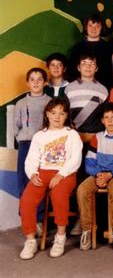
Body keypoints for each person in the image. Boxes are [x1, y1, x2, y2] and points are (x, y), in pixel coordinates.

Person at [19, 98, 82, 259]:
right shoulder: (40, 136)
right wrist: (32, 173)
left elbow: (76, 159)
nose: (57, 117)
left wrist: (61, 174)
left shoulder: (72, 134)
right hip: (43, 172)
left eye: (61, 113)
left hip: (65, 173)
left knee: (59, 195)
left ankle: (60, 237)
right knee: (26, 200)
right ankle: (30, 240)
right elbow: (31, 159)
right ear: (47, 114)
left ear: (66, 115)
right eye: (53, 113)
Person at [77, 102, 113, 252]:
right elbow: (89, 164)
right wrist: (99, 174)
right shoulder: (97, 138)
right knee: (82, 190)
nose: (110, 121)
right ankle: (86, 230)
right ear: (102, 120)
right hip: (98, 174)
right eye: (106, 117)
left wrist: (110, 174)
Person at [15, 68, 52, 206]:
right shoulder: (21, 103)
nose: (36, 83)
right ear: (27, 83)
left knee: (40, 179)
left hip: (45, 145)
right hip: (26, 144)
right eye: (32, 79)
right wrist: (22, 137)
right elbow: (16, 126)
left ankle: (40, 218)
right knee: (24, 179)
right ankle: (26, 215)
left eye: (39, 79)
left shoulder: (50, 102)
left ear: (45, 82)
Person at [64, 52, 108, 142]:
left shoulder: (103, 90)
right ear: (78, 67)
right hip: (74, 137)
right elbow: (65, 113)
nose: (88, 66)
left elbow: (105, 116)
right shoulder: (69, 88)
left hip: (96, 137)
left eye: (92, 64)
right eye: (84, 63)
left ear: (96, 68)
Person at [67, 14, 113, 90]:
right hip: (80, 88)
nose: (93, 29)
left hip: (103, 88)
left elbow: (111, 72)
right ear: (85, 27)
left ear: (102, 28)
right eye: (90, 25)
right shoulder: (77, 48)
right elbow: (71, 71)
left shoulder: (108, 48)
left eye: (97, 26)